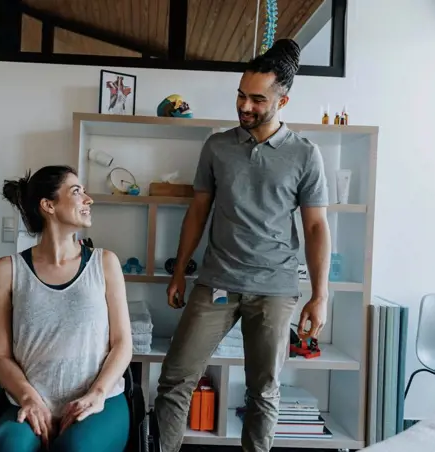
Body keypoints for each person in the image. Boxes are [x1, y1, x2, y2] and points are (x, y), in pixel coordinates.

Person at [154, 39, 332, 452]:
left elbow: (317, 227)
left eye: (257, 99)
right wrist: (180, 270)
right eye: (240, 96)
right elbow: (198, 211)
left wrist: (320, 295)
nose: (244, 107)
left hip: (275, 287)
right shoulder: (217, 146)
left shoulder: (306, 155)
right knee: (174, 379)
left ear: (282, 101)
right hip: (217, 280)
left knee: (264, 392)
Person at [0, 165, 133, 452]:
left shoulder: (105, 263)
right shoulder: (6, 270)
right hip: (30, 401)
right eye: (77, 191)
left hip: (99, 401)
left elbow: (122, 343)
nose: (88, 199)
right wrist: (28, 397)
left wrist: (98, 394)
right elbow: (0, 356)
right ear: (48, 205)